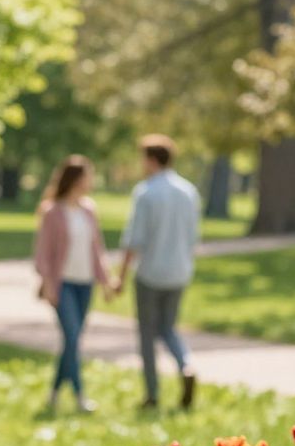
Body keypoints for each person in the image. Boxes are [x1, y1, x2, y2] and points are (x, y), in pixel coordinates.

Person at [117, 133, 200, 412]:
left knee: (147, 334)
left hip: (150, 274)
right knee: (168, 327)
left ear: (151, 159)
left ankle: (152, 394)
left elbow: (134, 239)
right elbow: (193, 237)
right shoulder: (188, 191)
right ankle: (185, 364)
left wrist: (121, 276)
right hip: (179, 272)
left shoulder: (146, 192)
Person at [33, 155, 115, 415]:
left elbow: (97, 249)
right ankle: (80, 396)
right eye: (88, 176)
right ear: (76, 179)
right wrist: (48, 283)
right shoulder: (52, 211)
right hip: (63, 284)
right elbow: (43, 253)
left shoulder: (89, 209)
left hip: (85, 283)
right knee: (71, 336)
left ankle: (55, 392)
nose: (91, 181)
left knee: (73, 339)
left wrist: (106, 281)